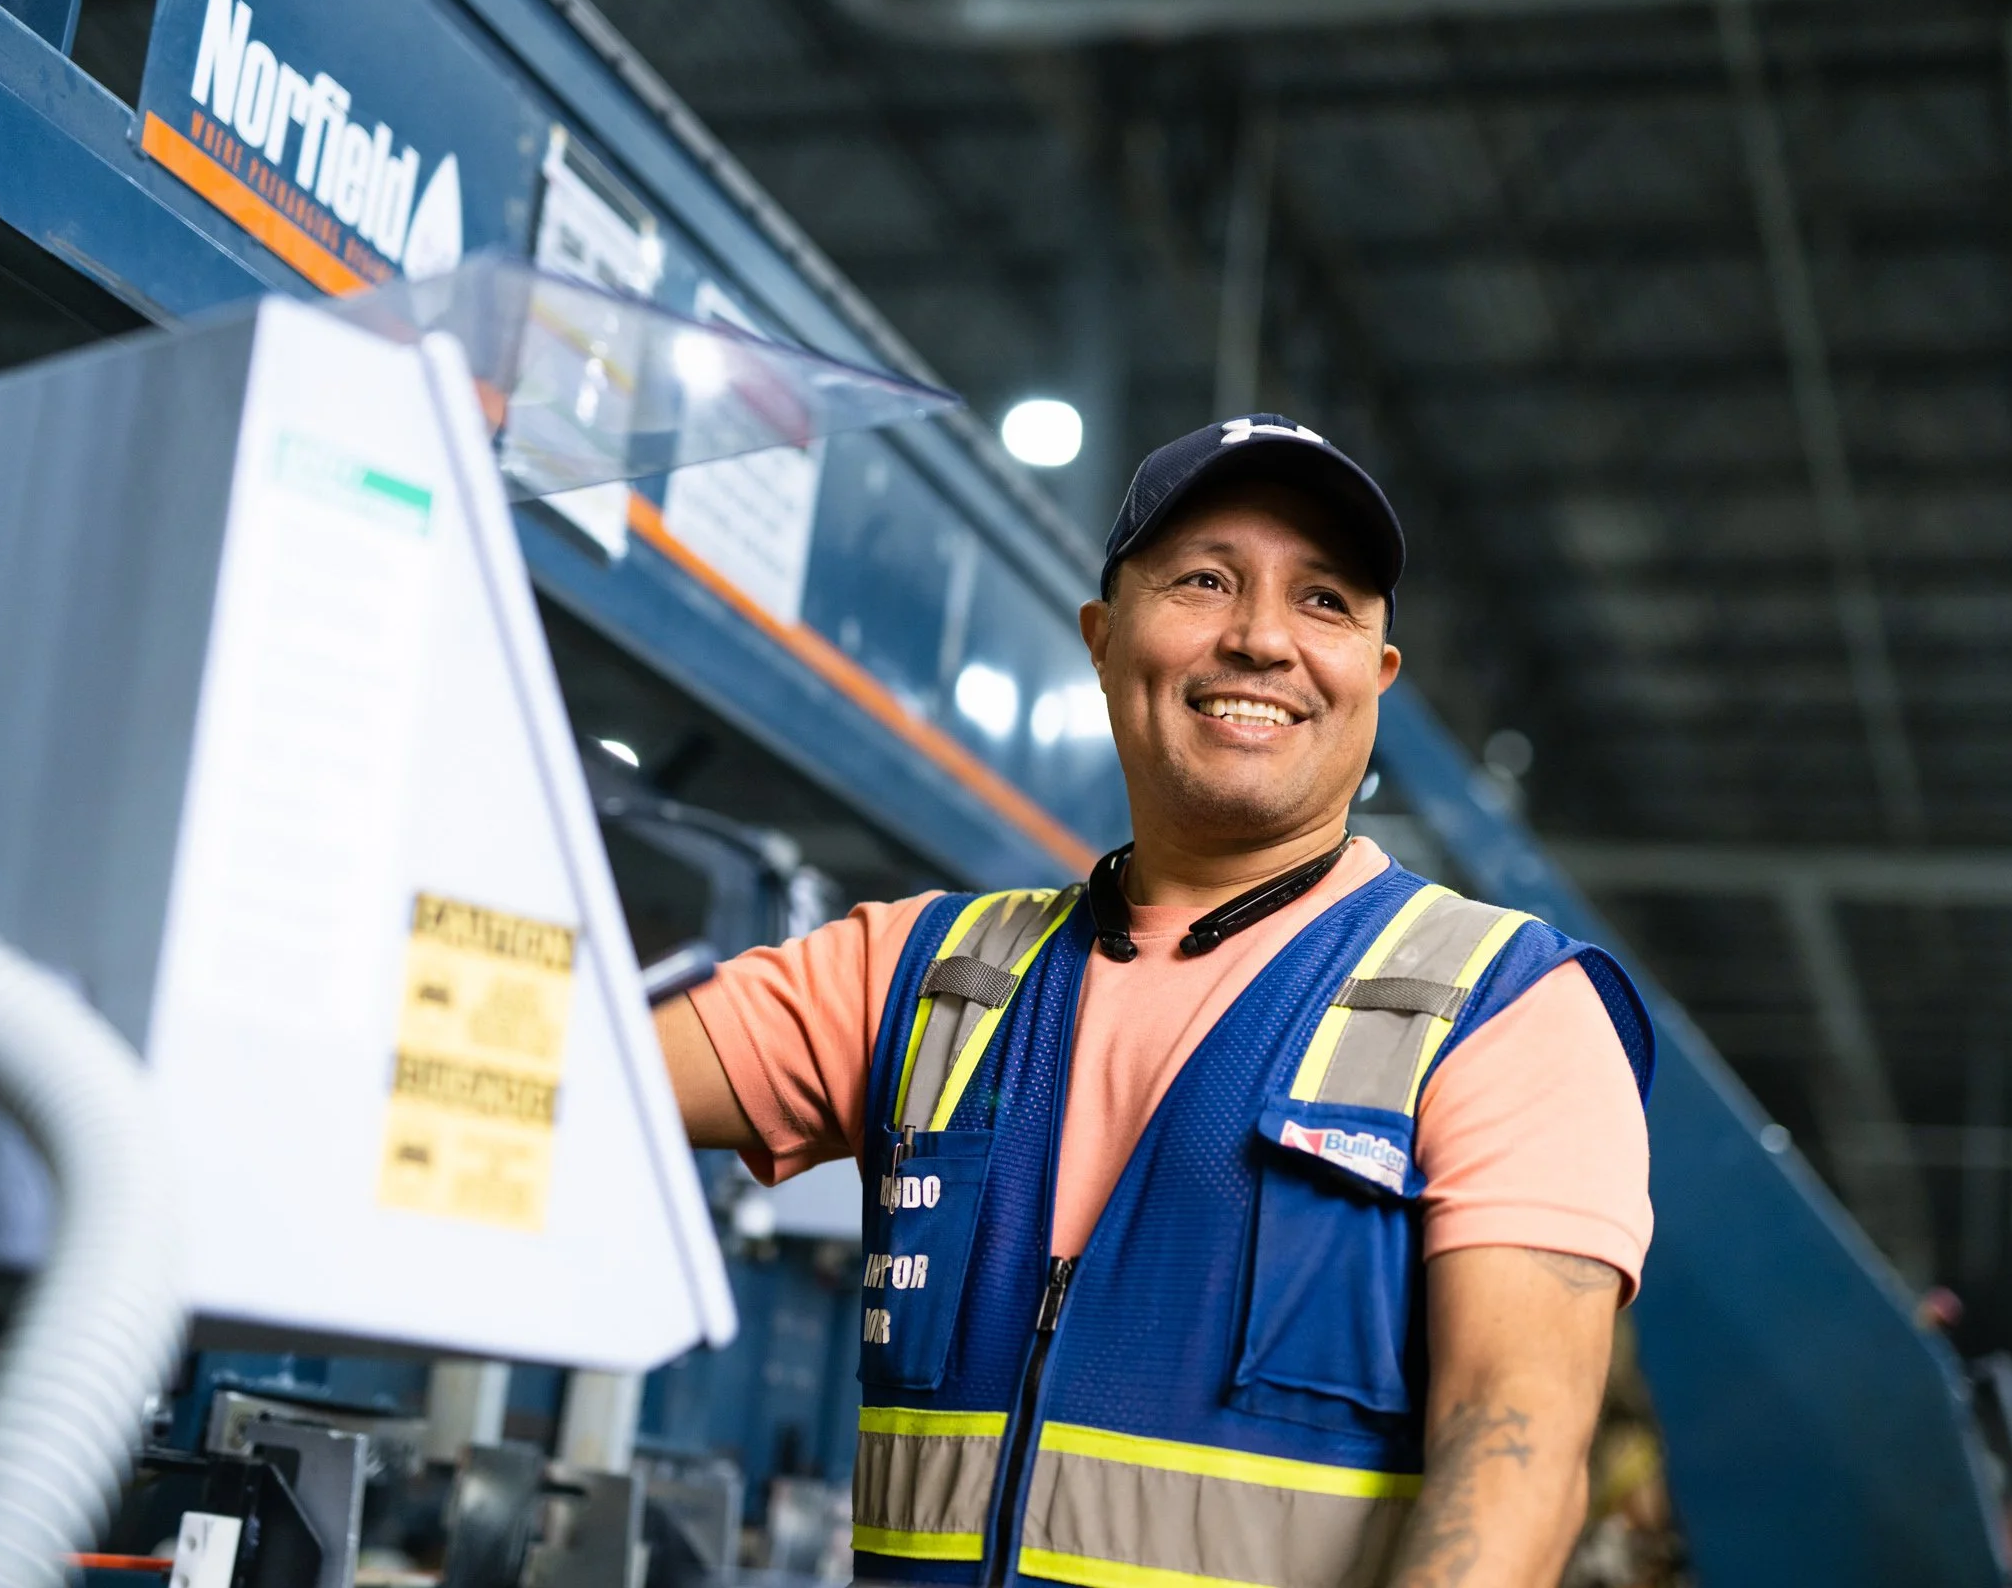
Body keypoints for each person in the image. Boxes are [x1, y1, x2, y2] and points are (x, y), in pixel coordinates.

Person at [657, 413, 1654, 1588]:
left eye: (1326, 600)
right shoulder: (919, 974)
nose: (1263, 638)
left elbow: (1512, 1455)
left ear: (1377, 676)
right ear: (1102, 635)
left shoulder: (1501, 1007)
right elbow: (555, 1071)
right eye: (1203, 581)